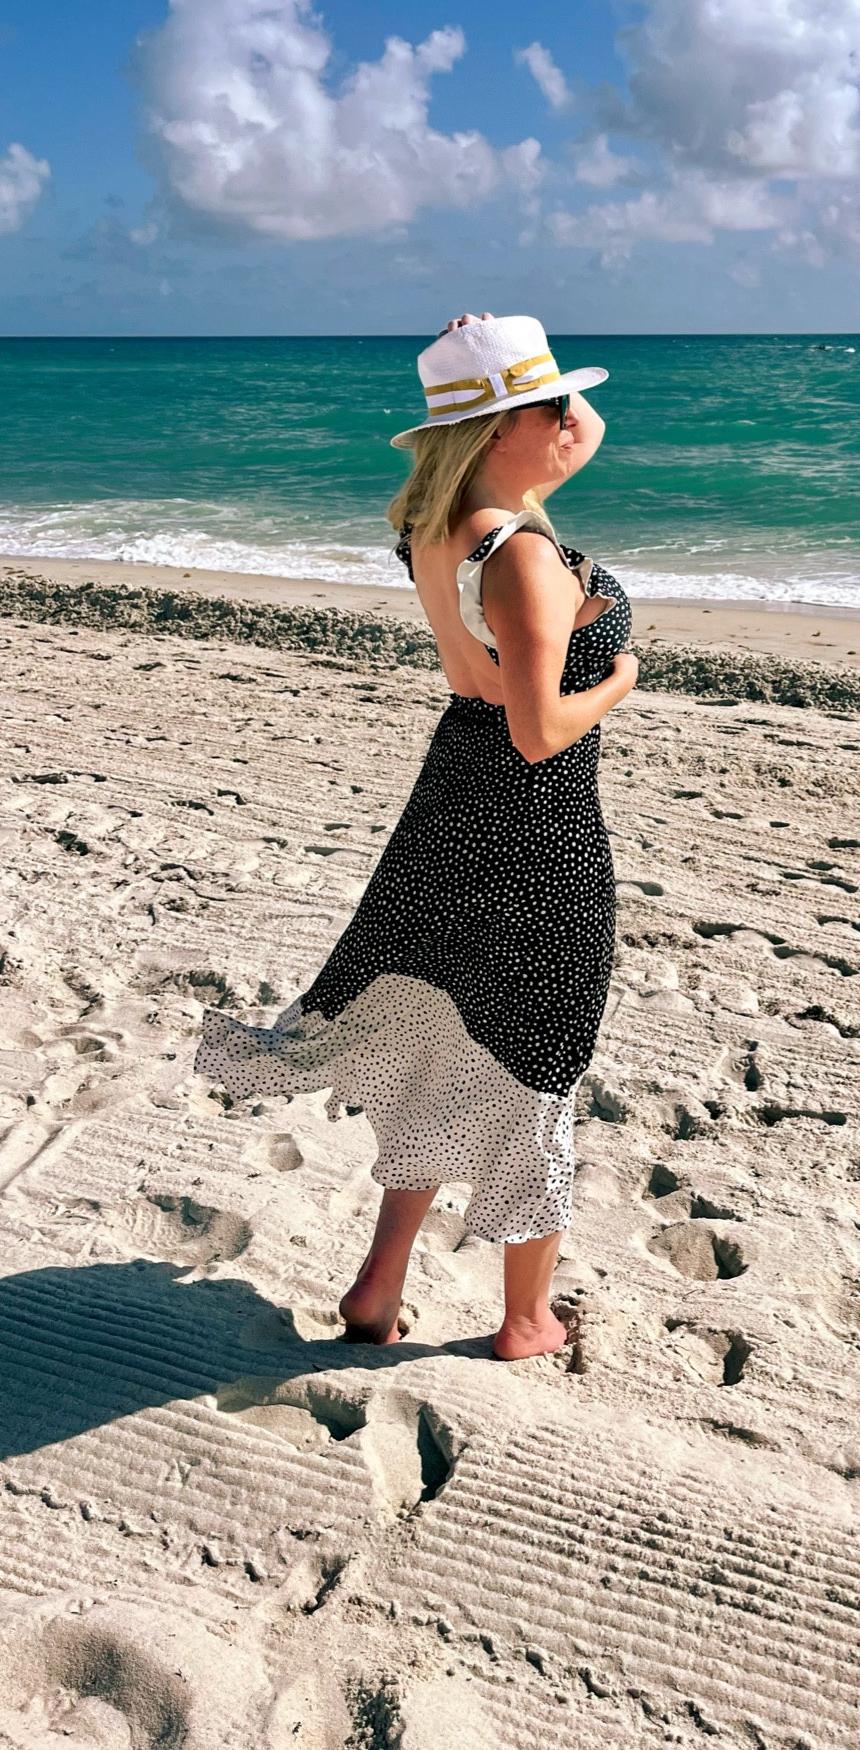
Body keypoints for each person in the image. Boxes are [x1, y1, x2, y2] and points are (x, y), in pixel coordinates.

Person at [196, 312, 637, 1359]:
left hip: (452, 802)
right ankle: (526, 1319)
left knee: (443, 1034)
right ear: (498, 429)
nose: (576, 418)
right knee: (540, 1050)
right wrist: (619, 679)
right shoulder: (523, 554)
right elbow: (539, 733)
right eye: (549, 400)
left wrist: (498, 369)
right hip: (534, 825)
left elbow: (581, 432)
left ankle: (378, 1283)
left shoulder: (437, 523)